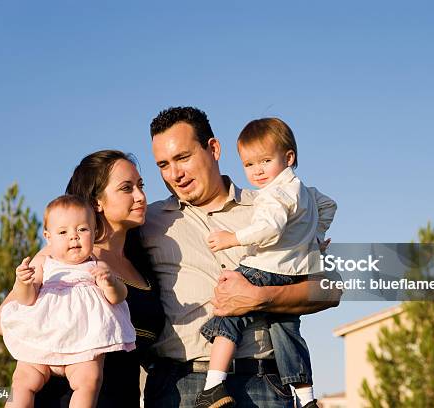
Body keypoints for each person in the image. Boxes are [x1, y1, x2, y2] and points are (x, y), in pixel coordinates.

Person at [142, 106, 341, 408]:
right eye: (163, 164)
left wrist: (262, 297)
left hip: (264, 385)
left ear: (213, 148)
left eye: (183, 158)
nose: (175, 174)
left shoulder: (271, 205)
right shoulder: (148, 222)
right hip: (178, 388)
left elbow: (331, 290)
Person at [0, 150, 165, 407]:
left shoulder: (141, 265)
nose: (140, 196)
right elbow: (0, 323)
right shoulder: (63, 259)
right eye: (126, 188)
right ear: (97, 202)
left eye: (140, 186)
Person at [198, 117, 337, 408]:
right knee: (285, 328)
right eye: (249, 164)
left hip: (267, 266)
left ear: (288, 158)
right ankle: (307, 398)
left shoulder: (273, 194)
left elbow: (268, 229)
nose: (257, 171)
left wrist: (231, 238)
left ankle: (213, 384)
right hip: (293, 272)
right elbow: (329, 205)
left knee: (228, 307)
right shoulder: (303, 191)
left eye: (265, 161)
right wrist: (313, 236)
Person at [1, 194, 136, 407]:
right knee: (22, 381)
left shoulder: (97, 266)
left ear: (94, 232)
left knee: (89, 381)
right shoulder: (44, 264)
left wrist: (109, 282)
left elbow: (119, 297)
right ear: (48, 237)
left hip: (84, 344)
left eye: (82, 229)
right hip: (43, 338)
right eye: (63, 232)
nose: (73, 237)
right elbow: (26, 300)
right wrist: (23, 283)